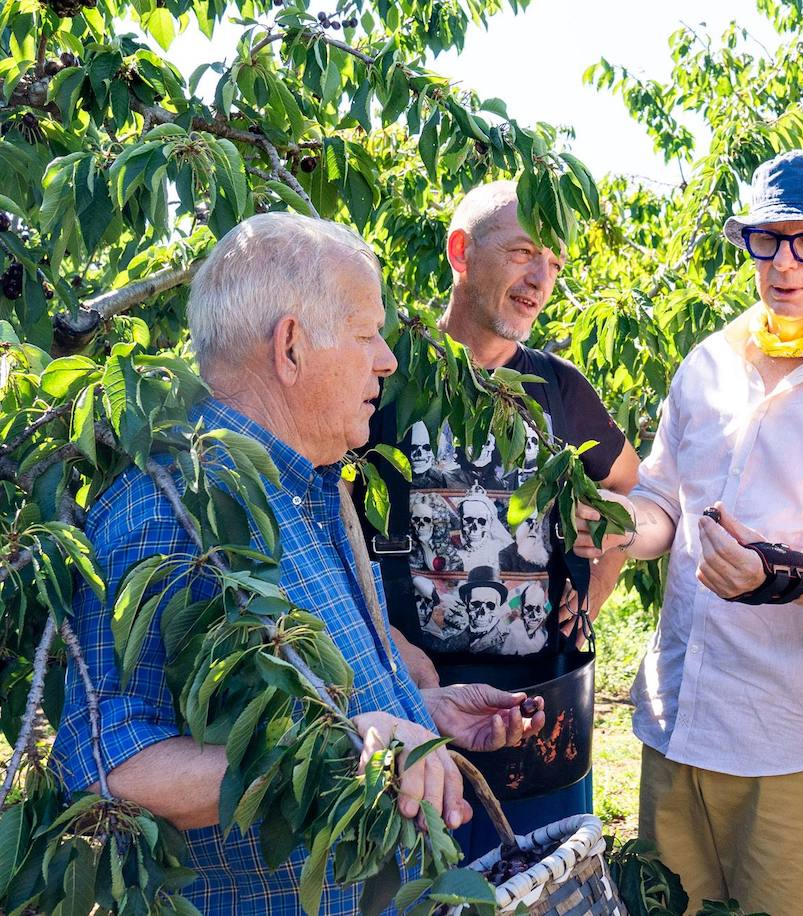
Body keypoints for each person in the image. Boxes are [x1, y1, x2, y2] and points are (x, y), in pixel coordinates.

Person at [53, 213, 544, 914]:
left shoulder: (313, 488)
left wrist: (416, 714)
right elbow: (109, 768)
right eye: (366, 333)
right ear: (291, 347)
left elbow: (304, 703)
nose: (388, 360)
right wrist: (349, 748)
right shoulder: (175, 509)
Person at [573, 149, 803, 915]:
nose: (785, 262)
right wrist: (615, 524)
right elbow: (663, 504)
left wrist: (778, 573)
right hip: (676, 716)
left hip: (792, 735)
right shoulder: (710, 363)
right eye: (767, 239)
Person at [363, 181, 639, 861]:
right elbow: (326, 513)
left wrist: (596, 586)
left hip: (539, 714)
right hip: (410, 705)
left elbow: (631, 489)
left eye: (555, 262)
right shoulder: (386, 372)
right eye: (522, 252)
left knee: (538, 884)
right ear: (461, 252)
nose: (540, 278)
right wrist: (386, 643)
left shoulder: (559, 387)